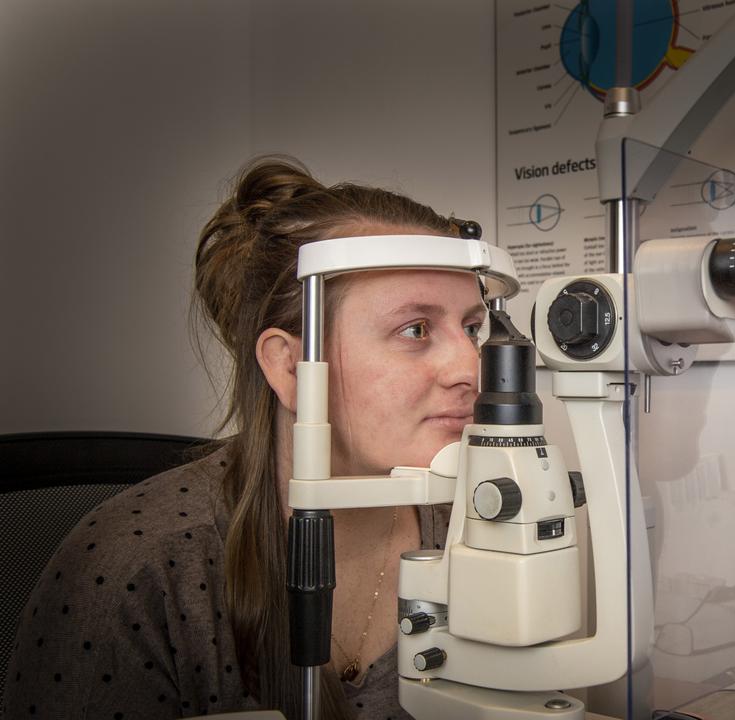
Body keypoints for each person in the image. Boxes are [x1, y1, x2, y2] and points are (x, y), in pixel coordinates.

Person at [6, 156, 488, 719]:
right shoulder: (139, 572)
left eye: (472, 327)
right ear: (289, 367)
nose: (472, 367)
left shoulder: (469, 527)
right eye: (415, 329)